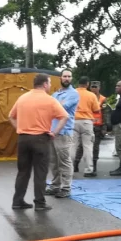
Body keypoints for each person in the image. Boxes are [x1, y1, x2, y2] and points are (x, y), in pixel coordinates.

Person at [9, 73, 69, 211]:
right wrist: (54, 132)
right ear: (45, 84)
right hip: (41, 139)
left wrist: (19, 128)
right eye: (49, 83)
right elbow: (64, 117)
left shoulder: (22, 98)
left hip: (23, 138)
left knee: (23, 171)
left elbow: (10, 117)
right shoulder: (50, 100)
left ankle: (17, 201)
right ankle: (40, 203)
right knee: (40, 172)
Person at [46, 69, 79, 198]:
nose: (66, 78)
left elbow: (60, 108)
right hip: (52, 131)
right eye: (64, 76)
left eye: (69, 76)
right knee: (54, 161)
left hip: (64, 131)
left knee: (64, 161)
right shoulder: (56, 94)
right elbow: (52, 108)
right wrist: (56, 105)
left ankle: (66, 188)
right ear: (60, 78)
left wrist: (55, 105)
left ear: (71, 78)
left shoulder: (74, 94)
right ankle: (55, 186)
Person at [72, 77, 101, 176]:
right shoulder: (91, 95)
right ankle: (88, 169)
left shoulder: (72, 93)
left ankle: (69, 169)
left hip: (73, 121)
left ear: (78, 83)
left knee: (72, 146)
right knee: (87, 147)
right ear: (87, 84)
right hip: (87, 122)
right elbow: (97, 110)